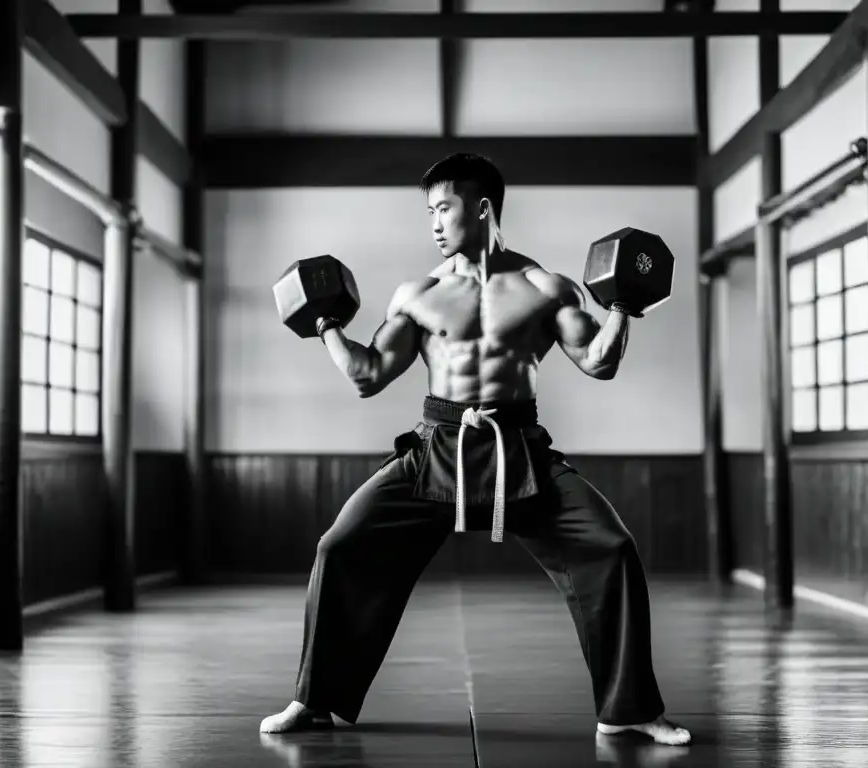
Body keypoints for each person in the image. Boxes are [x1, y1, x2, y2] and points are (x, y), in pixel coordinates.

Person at [259, 153, 691, 747]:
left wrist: (621, 307)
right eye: (429, 211)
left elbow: (599, 362)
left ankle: (629, 709)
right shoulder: (419, 293)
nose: (433, 222)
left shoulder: (545, 287)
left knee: (610, 548)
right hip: (439, 444)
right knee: (341, 546)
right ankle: (315, 700)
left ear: (481, 207)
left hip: (520, 448)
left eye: (443, 208)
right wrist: (326, 325)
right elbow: (369, 374)